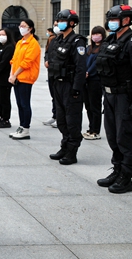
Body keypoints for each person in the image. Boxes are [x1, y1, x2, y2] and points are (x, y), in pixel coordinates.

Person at [95, 4, 132, 194]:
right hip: (110, 95)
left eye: (114, 19)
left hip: (126, 97)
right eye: (110, 19)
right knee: (112, 136)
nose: (111, 22)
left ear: (126, 20)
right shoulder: (111, 40)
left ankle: (126, 176)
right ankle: (117, 169)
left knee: (125, 136)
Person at [46, 9, 87, 165]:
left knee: (72, 120)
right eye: (58, 21)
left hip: (70, 86)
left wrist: (77, 88)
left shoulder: (77, 41)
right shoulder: (57, 40)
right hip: (57, 84)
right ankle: (64, 146)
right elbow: (50, 56)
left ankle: (72, 151)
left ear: (71, 23)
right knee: (61, 119)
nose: (59, 24)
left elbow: (80, 67)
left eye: (62, 21)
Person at [9, 19, 41, 139]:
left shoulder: (33, 44)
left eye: (24, 26)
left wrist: (15, 75)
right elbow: (14, 60)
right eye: (20, 25)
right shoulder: (20, 42)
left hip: (26, 78)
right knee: (19, 104)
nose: (21, 28)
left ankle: (26, 128)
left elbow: (26, 62)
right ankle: (21, 126)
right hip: (16, 78)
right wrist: (11, 75)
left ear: (30, 28)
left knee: (24, 103)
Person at [82, 26, 106, 140]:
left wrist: (89, 72)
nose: (95, 36)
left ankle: (96, 130)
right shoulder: (89, 48)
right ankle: (91, 128)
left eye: (98, 34)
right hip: (86, 80)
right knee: (88, 106)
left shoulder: (103, 48)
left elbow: (97, 63)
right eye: (94, 34)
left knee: (95, 106)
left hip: (95, 80)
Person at [43, 22, 60, 128]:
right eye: (55, 24)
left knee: (59, 97)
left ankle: (60, 117)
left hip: (60, 73)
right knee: (54, 95)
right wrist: (46, 60)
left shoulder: (69, 41)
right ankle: (55, 115)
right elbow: (47, 52)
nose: (56, 27)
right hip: (51, 72)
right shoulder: (54, 40)